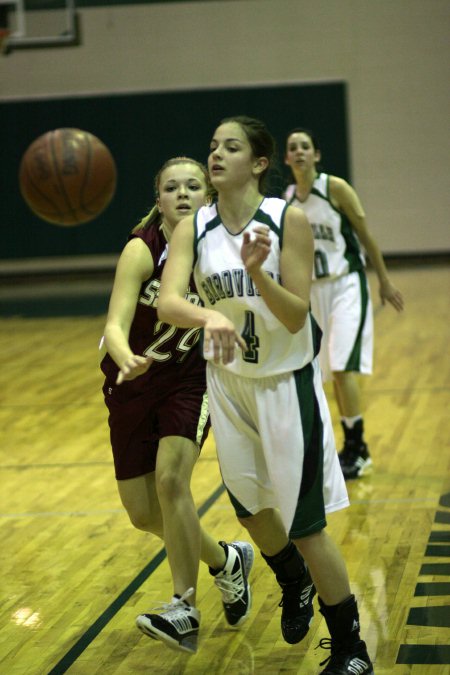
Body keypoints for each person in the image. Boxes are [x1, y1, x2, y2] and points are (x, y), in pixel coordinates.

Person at [158, 117, 374, 674]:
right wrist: (208, 315)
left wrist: (260, 276)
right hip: (228, 384)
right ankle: (291, 579)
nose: (216, 155)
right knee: (251, 510)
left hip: (285, 383)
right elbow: (168, 302)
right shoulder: (194, 227)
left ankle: (352, 650)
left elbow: (298, 314)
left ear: (258, 163)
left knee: (306, 526)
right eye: (212, 146)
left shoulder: (288, 219)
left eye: (231, 147)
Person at [100, 157, 254, 655]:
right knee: (144, 514)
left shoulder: (217, 249)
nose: (183, 193)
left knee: (171, 481)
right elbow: (116, 323)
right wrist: (124, 355)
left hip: (190, 381)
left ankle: (182, 606)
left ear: (208, 195)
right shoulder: (141, 249)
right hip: (132, 385)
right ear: (158, 198)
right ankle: (227, 560)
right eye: (172, 187)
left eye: (193, 185)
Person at [284, 128, 404, 479]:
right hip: (312, 293)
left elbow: (365, 235)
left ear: (316, 155)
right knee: (326, 374)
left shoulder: (334, 188)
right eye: (293, 148)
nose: (300, 152)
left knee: (341, 366)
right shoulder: (288, 198)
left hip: (346, 285)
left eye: (305, 146)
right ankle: (346, 445)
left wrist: (383, 279)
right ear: (287, 159)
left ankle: (359, 447)